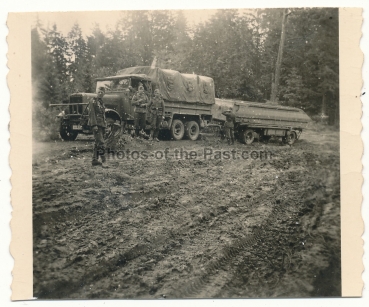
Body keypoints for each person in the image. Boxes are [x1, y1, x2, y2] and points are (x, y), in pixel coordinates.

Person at [88, 86, 107, 166]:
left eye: (102, 92)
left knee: (97, 143)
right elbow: (92, 114)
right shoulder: (93, 101)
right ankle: (104, 161)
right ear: (96, 92)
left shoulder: (101, 102)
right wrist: (94, 125)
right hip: (96, 125)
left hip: (102, 125)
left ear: (104, 94)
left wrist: (105, 125)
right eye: (99, 92)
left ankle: (94, 160)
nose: (100, 93)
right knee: (101, 143)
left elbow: (103, 115)